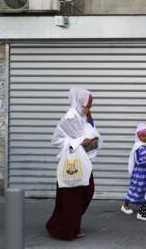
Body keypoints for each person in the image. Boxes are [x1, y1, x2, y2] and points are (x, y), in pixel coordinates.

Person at [46, 88, 103, 240]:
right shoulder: (69, 118)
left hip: (83, 162)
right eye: (88, 105)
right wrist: (79, 141)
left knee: (86, 191)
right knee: (71, 198)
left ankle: (70, 224)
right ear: (81, 102)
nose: (89, 108)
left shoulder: (81, 117)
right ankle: (66, 229)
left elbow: (91, 131)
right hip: (71, 164)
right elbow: (56, 140)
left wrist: (89, 117)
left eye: (90, 105)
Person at [121, 123, 146, 215]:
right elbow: (138, 160)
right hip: (139, 173)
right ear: (139, 136)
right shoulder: (137, 146)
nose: (145, 138)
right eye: (143, 136)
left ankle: (144, 205)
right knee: (135, 188)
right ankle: (125, 204)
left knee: (144, 188)